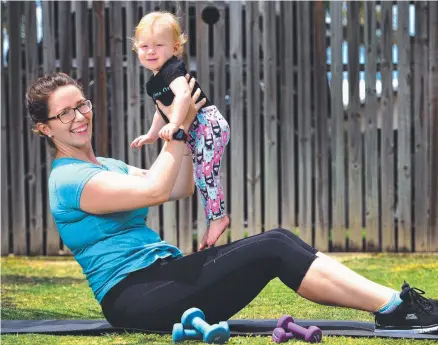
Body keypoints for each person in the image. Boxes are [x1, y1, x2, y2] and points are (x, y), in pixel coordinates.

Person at [26, 72, 437, 335]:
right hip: (134, 295)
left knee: (278, 242)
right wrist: (180, 123)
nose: (79, 116)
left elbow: (178, 187)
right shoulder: (68, 180)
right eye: (65, 114)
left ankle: (395, 305)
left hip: (163, 275)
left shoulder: (107, 165)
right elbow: (154, 189)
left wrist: (184, 124)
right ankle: (395, 306)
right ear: (44, 128)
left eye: (82, 104)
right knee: (275, 245)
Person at [129, 11, 230, 250]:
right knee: (202, 176)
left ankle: (219, 218)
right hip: (198, 130)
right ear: (136, 50)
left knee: (206, 174)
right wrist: (153, 134)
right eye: (144, 46)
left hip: (208, 123)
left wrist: (175, 124)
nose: (150, 51)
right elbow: (160, 110)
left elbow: (184, 95)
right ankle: (213, 219)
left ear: (175, 48)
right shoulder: (154, 81)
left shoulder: (172, 69)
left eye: (158, 45)